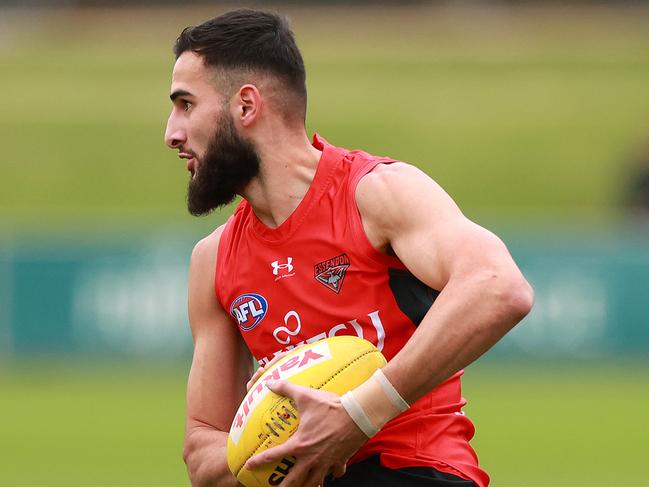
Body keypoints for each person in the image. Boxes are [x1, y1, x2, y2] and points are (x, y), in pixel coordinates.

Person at [164, 8, 533, 487]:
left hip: (418, 475)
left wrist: (357, 415)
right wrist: (280, 436)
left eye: (186, 104)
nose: (171, 132)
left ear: (246, 106)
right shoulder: (213, 260)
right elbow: (203, 456)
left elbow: (499, 287)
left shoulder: (376, 194)